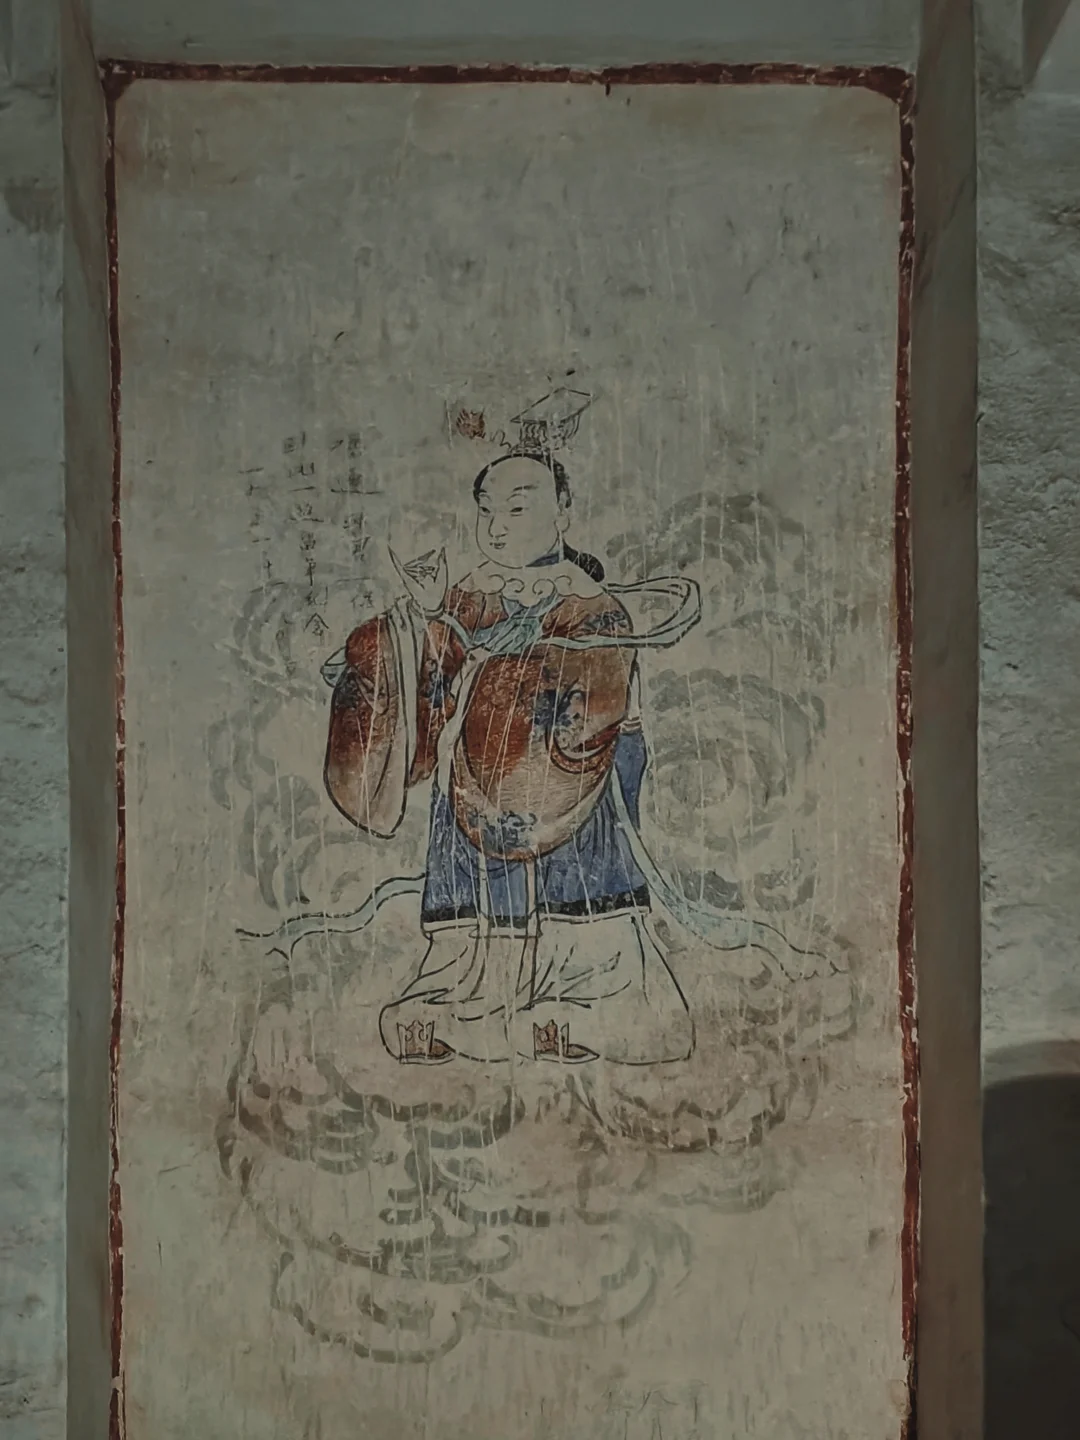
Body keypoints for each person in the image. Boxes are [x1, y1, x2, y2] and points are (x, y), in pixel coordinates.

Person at [324, 449, 695, 1067]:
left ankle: (582, 996)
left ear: (562, 511)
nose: (497, 527)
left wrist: (502, 678)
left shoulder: (594, 606)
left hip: (565, 788)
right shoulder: (469, 597)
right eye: (488, 511)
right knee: (468, 924)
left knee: (579, 909)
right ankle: (459, 993)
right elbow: (428, 681)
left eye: (518, 509)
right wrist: (415, 630)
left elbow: (594, 705)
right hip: (472, 781)